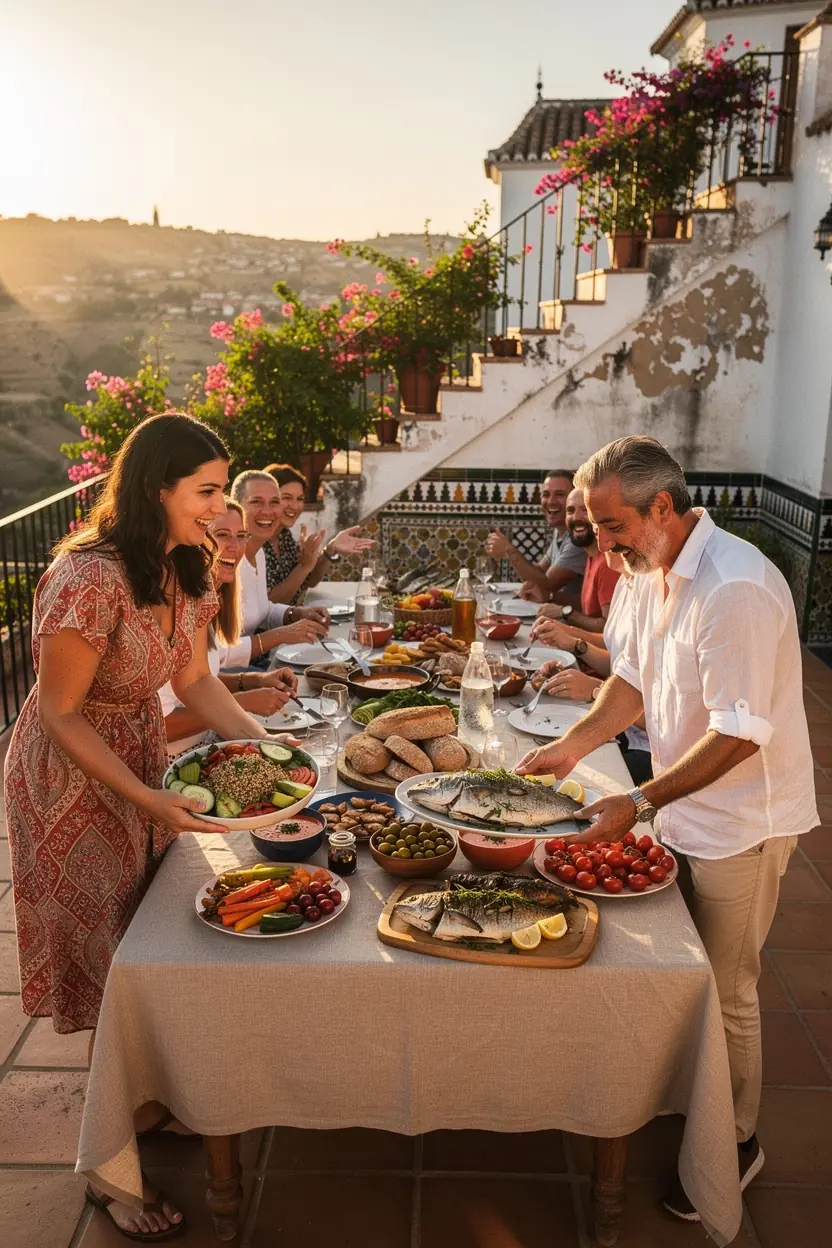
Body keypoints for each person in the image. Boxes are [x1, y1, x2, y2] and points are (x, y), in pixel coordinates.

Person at [3, 413, 298, 1240]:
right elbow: (60, 713)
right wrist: (140, 792)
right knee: (106, 956)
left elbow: (198, 681)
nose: (218, 507)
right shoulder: (84, 578)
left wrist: (270, 747)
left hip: (137, 763)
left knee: (146, 936)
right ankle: (108, 1169)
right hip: (71, 779)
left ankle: (142, 1098)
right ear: (154, 489)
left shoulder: (187, 567)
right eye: (205, 492)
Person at [518, 435, 818, 1221]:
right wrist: (574, 743)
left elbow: (739, 733)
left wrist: (640, 802)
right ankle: (681, 1098)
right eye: (592, 526)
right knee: (670, 972)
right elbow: (632, 679)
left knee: (726, 990)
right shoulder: (640, 575)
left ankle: (738, 1141)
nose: (601, 545)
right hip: (678, 809)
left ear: (663, 506)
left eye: (612, 526)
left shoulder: (736, 589)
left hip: (739, 824)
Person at [159, 499, 300, 752]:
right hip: (176, 760)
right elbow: (160, 726)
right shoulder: (173, 605)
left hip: (210, 741)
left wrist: (255, 679)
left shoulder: (207, 600)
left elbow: (201, 679)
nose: (235, 547)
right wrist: (241, 703)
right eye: (222, 535)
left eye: (241, 536)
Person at [530, 550, 652, 785]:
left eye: (612, 528)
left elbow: (663, 718)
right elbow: (619, 661)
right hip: (619, 729)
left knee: (555, 778)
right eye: (597, 530)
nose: (601, 543)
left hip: (646, 750)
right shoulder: (626, 583)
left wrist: (596, 690)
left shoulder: (654, 596)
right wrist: (574, 644)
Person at [229, 471, 329, 656]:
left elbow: (265, 609)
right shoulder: (226, 561)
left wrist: (297, 613)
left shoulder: (258, 553)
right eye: (256, 501)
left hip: (259, 664)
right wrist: (282, 634)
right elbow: (219, 653)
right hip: (235, 676)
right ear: (237, 507)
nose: (267, 511)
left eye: (274, 502)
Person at [262, 462, 375, 603]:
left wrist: (330, 549)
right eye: (287, 497)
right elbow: (270, 604)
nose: (296, 506)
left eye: (300, 499)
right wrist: (304, 566)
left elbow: (307, 581)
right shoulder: (255, 541)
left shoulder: (284, 536)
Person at [484, 470, 586, 600]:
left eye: (559, 494)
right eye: (546, 494)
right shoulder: (560, 531)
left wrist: (509, 551)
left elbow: (548, 584)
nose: (551, 501)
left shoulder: (578, 539)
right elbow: (539, 572)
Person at [532, 487, 619, 632]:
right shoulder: (591, 556)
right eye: (571, 511)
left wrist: (566, 613)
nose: (576, 517)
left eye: (585, 510)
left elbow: (607, 629)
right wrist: (553, 601)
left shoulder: (607, 563)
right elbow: (589, 608)